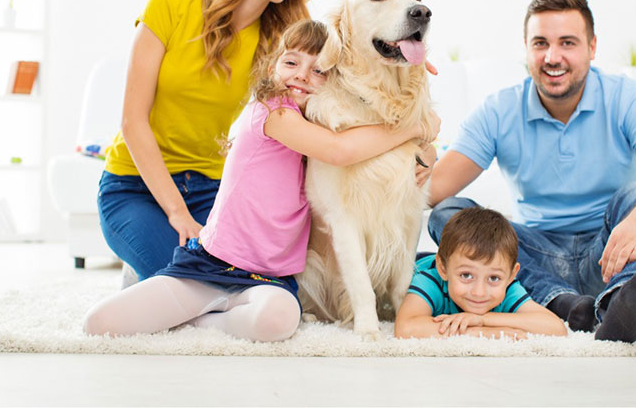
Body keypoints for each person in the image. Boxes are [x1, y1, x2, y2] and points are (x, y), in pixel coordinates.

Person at [84, 19, 440, 341]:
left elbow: (364, 128)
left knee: (280, 321)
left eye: (318, 70)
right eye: (291, 63)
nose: (302, 75)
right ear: (273, 66)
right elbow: (340, 151)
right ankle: (194, 305)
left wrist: (407, 68)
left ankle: (204, 320)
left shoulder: (319, 121)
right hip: (217, 264)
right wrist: (417, 126)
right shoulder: (273, 112)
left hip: (270, 278)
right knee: (99, 324)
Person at [426, 0, 636, 343]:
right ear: (526, 48)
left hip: (614, 249)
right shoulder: (499, 109)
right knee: (449, 215)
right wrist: (411, 129)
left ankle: (621, 304)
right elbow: (434, 191)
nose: (553, 57)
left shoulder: (626, 98)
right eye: (541, 43)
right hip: (533, 255)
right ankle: (565, 304)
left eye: (567, 43)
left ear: (592, 47)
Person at [98, 0, 318, 283]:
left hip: (212, 188)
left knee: (254, 284)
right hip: (133, 185)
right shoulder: (168, 8)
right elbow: (132, 123)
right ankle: (143, 265)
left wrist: (399, 61)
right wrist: (178, 214)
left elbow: (328, 70)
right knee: (185, 279)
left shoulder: (276, 46)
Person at [395, 207, 566, 339]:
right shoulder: (430, 279)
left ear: (511, 276)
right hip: (407, 264)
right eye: (466, 276)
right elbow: (406, 328)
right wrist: (481, 332)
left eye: (493, 278)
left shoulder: (508, 288)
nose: (479, 292)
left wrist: (484, 319)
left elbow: (556, 328)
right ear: (443, 269)